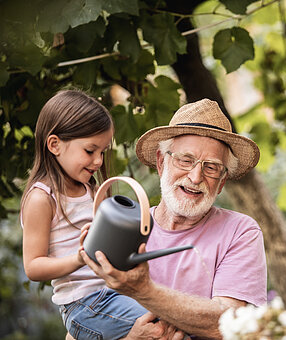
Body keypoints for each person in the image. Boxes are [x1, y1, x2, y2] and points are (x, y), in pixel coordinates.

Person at [82, 98, 267, 338]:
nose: (196, 176)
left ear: (221, 182)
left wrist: (143, 290)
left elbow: (229, 323)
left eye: (211, 167)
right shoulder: (123, 227)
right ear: (161, 163)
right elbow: (80, 321)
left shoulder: (240, 231)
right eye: (186, 160)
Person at [21, 89, 181, 340]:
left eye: (103, 152)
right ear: (55, 145)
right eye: (90, 150)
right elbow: (33, 267)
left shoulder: (92, 188)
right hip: (85, 305)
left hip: (113, 292)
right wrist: (79, 258)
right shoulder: (42, 198)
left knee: (175, 319)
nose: (98, 160)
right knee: (166, 325)